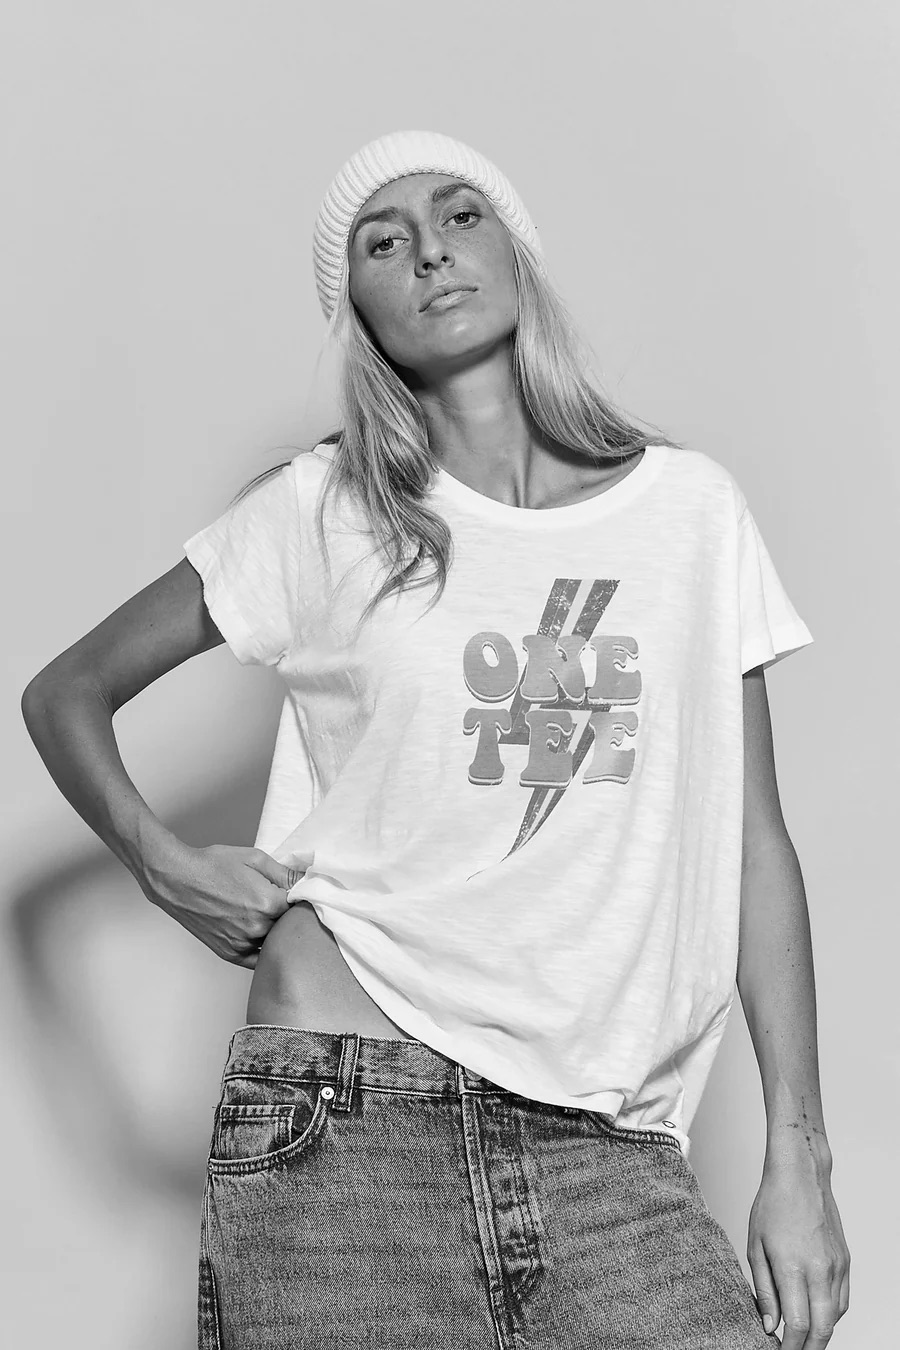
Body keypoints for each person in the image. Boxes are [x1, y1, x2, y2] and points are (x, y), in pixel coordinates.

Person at [21, 129, 850, 1349]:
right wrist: (161, 861)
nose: (429, 254)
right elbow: (67, 691)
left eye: (461, 217)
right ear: (359, 307)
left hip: (610, 1151)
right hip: (342, 1124)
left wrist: (799, 1154)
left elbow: (753, 846)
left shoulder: (690, 514)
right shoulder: (324, 511)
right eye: (383, 242)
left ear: (515, 255)